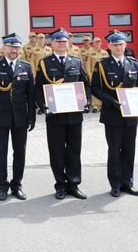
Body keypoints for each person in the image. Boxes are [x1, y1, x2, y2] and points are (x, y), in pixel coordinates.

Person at [35, 28, 90, 200]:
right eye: (58, 41)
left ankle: (73, 184)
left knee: (74, 151)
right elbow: (38, 88)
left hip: (74, 115)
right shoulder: (44, 63)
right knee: (57, 152)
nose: (61, 44)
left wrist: (87, 101)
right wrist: (42, 105)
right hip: (55, 116)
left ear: (68, 43)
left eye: (64, 41)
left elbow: (85, 84)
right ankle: (60, 185)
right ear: (52, 44)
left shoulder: (76, 61)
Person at [91, 30, 138, 198]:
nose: (118, 47)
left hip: (131, 115)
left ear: (125, 45)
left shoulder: (134, 63)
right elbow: (95, 88)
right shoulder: (102, 65)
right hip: (112, 115)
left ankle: (128, 183)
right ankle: (115, 184)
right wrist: (111, 101)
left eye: (120, 44)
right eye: (114, 45)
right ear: (109, 46)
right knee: (114, 150)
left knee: (129, 150)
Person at [0, 33, 36, 201]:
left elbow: (31, 95)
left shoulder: (26, 67)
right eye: (11, 47)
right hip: (0, 117)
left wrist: (32, 117)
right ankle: (2, 186)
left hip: (20, 118)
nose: (14, 50)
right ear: (4, 48)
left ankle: (16, 185)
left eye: (16, 47)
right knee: (1, 153)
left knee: (20, 153)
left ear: (20, 49)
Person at [89, 37, 109, 113]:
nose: (98, 43)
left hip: (103, 74)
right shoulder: (90, 52)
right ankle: (95, 105)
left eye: (99, 42)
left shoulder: (105, 52)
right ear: (93, 43)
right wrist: (89, 74)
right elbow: (87, 65)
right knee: (95, 89)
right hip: (94, 74)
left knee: (104, 89)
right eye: (96, 42)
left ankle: (102, 105)